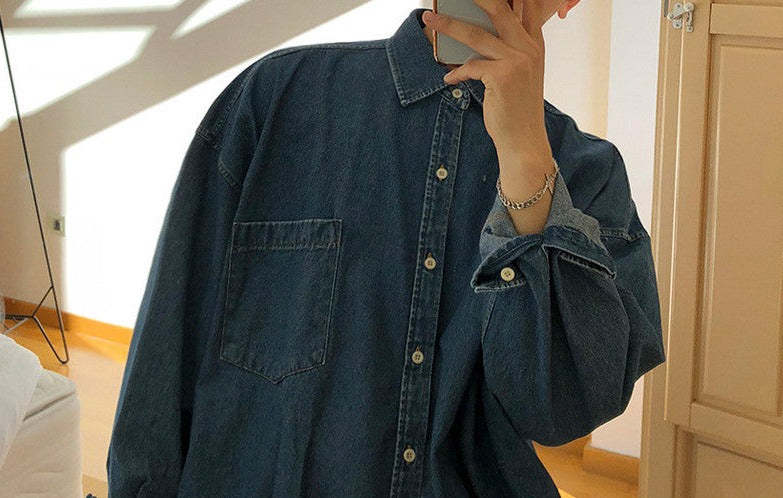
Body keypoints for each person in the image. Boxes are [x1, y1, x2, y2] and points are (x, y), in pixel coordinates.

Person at [107, 2, 666, 497]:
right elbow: (171, 338)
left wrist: (525, 159)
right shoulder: (276, 97)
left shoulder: (589, 175)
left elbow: (561, 411)